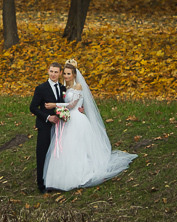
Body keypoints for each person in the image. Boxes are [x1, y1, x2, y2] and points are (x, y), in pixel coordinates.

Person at [43, 60, 136, 191]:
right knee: (65, 147)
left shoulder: (78, 87)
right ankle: (59, 178)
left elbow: (72, 105)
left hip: (76, 120)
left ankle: (79, 174)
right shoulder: (65, 88)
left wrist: (55, 105)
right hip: (67, 120)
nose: (66, 76)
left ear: (74, 75)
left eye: (68, 74)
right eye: (64, 73)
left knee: (77, 147)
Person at [28, 61, 66, 193]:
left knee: (56, 154)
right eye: (51, 71)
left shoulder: (62, 88)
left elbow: (66, 104)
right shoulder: (41, 88)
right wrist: (47, 117)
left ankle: (54, 180)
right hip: (45, 125)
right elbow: (32, 107)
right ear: (48, 71)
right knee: (42, 153)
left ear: (60, 73)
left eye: (56, 72)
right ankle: (41, 183)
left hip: (60, 127)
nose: (53, 74)